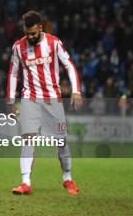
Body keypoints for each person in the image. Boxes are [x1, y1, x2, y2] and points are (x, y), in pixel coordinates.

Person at [6, 10, 82, 196]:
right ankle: (25, 182)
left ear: (40, 27)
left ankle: (67, 178)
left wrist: (76, 91)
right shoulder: (18, 47)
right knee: (28, 138)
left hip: (52, 99)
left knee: (61, 141)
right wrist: (10, 101)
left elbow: (69, 65)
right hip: (29, 98)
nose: (30, 36)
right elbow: (13, 74)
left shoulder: (54, 43)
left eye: (33, 33)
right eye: (27, 33)